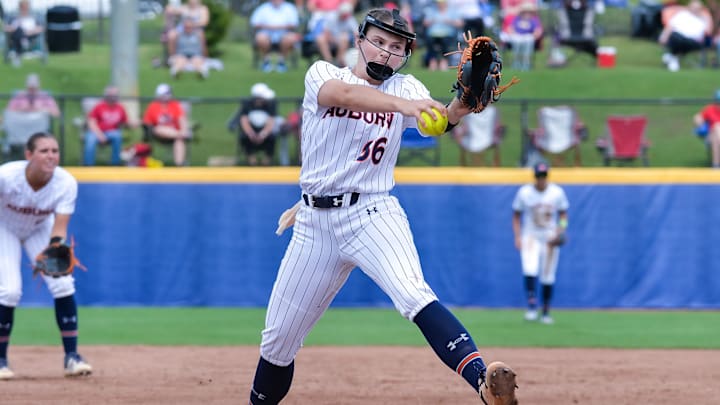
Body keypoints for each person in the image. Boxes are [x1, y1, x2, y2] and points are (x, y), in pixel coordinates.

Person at [248, 8, 517, 404]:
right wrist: (407, 108)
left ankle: (484, 382)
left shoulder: (408, 87)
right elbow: (345, 96)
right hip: (314, 223)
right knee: (277, 342)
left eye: (397, 47)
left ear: (405, 55)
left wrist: (461, 105)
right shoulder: (324, 74)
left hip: (372, 213)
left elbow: (438, 120)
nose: (386, 52)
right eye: (378, 41)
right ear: (359, 41)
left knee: (413, 293)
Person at [0, 132, 93, 380]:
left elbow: (60, 226)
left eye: (55, 150)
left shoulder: (66, 183)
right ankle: (0, 360)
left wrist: (54, 247)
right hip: (3, 226)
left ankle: (72, 357)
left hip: (40, 227)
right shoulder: (6, 176)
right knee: (9, 291)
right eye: (44, 151)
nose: (51, 156)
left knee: (62, 282)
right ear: (28, 155)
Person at [511, 162, 569, 325]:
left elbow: (563, 215)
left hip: (549, 237)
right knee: (530, 268)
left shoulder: (556, 192)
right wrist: (517, 236)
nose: (541, 179)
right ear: (534, 177)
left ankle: (545, 311)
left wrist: (561, 229)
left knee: (548, 275)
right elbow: (516, 215)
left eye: (544, 176)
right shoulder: (525, 192)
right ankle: (531, 307)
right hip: (531, 235)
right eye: (539, 176)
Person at [83, 85, 137, 166]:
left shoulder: (120, 107)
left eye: (116, 95)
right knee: (90, 139)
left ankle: (115, 164)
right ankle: (88, 166)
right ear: (106, 95)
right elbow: (91, 123)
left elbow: (125, 122)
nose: (114, 97)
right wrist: (100, 135)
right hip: (97, 132)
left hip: (112, 132)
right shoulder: (99, 106)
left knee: (117, 136)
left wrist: (134, 123)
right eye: (111, 95)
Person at [142, 83, 191, 166]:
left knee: (179, 140)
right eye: (167, 93)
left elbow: (182, 119)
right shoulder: (153, 106)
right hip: (160, 135)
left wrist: (184, 129)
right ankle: (181, 134)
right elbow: (147, 122)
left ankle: (179, 166)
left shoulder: (174, 104)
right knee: (159, 129)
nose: (169, 95)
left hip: (174, 135)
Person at [658, 0, 712, 72]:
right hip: (678, 37)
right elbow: (670, 27)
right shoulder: (682, 14)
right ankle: (673, 58)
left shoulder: (703, 18)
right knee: (675, 37)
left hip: (693, 42)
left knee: (680, 40)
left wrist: (707, 18)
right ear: (690, 7)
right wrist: (663, 37)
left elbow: (708, 32)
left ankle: (671, 57)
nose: (695, 9)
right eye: (694, 7)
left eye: (697, 8)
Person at [233, 83, 278, 166]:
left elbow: (271, 121)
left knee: (272, 137)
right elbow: (244, 120)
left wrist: (263, 134)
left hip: (264, 132)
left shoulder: (270, 105)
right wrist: (251, 134)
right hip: (251, 132)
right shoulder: (247, 104)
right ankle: (252, 161)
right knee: (244, 137)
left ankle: (266, 163)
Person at [250, 0, 301, 73]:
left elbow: (294, 24)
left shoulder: (290, 8)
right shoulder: (263, 8)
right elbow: (254, 23)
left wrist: (279, 27)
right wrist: (269, 27)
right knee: (260, 37)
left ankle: (281, 62)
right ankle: (266, 62)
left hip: (284, 34)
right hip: (266, 34)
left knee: (290, 38)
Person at [422, 0, 462, 71]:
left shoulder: (452, 11)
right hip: (433, 34)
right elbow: (425, 23)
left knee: (446, 43)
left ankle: (444, 61)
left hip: (448, 34)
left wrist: (450, 21)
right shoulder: (431, 10)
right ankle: (433, 61)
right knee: (430, 42)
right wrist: (431, 21)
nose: (440, 4)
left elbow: (460, 23)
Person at [2, 0, 44, 67]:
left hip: (30, 36)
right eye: (22, 6)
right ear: (19, 6)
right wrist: (13, 28)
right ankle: (23, 42)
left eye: (26, 6)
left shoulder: (34, 16)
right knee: (19, 30)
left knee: (20, 32)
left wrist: (30, 31)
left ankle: (18, 56)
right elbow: (6, 27)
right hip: (16, 35)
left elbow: (41, 28)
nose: (24, 8)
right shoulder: (13, 16)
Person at [506, 2, 542, 71]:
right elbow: (510, 28)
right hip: (517, 36)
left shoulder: (534, 20)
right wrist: (513, 33)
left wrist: (534, 35)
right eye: (525, 11)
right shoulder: (516, 19)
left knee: (528, 39)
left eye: (528, 12)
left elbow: (537, 31)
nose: (527, 13)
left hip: (528, 37)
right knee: (517, 40)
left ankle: (526, 63)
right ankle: (516, 62)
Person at [693, 89, 720, 168]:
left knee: (717, 130)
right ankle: (716, 166)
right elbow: (697, 118)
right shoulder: (710, 109)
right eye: (718, 102)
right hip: (711, 135)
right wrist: (698, 121)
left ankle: (716, 165)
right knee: (717, 129)